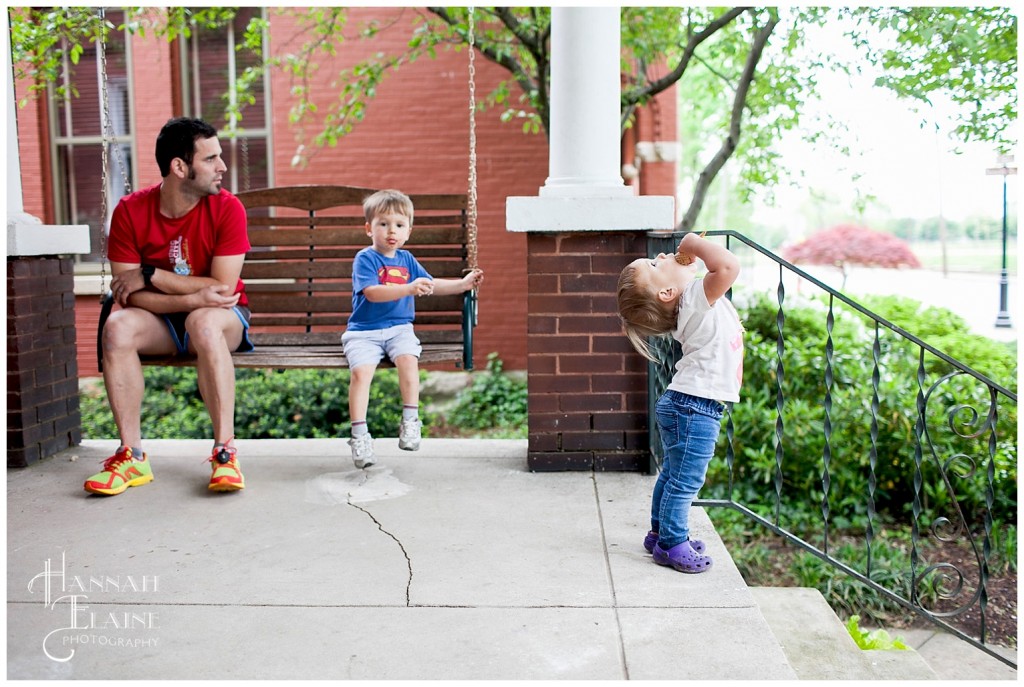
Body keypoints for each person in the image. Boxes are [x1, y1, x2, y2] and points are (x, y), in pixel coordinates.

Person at [84, 117, 253, 496]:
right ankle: (132, 455)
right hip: (159, 322)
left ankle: (225, 452)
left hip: (221, 320)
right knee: (117, 326)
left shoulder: (228, 208)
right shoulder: (130, 211)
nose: (222, 167)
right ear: (180, 167)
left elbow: (222, 290)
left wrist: (152, 274)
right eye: (211, 159)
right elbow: (129, 295)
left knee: (205, 322)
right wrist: (191, 296)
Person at [616, 232, 743, 573]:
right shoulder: (694, 299)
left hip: (685, 403)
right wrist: (692, 243)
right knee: (685, 481)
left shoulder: (693, 302)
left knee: (673, 474)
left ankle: (659, 532)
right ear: (667, 292)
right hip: (694, 407)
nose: (661, 256)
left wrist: (686, 259)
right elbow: (728, 266)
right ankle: (672, 543)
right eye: (655, 264)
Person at [343, 189, 484, 469]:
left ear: (409, 230)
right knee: (361, 373)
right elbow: (372, 292)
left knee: (408, 360)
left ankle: (410, 420)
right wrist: (407, 288)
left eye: (398, 225)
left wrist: (462, 285)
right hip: (364, 331)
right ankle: (359, 435)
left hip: (399, 329)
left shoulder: (407, 260)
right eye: (382, 224)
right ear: (368, 228)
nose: (390, 231)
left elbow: (431, 284)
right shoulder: (366, 259)